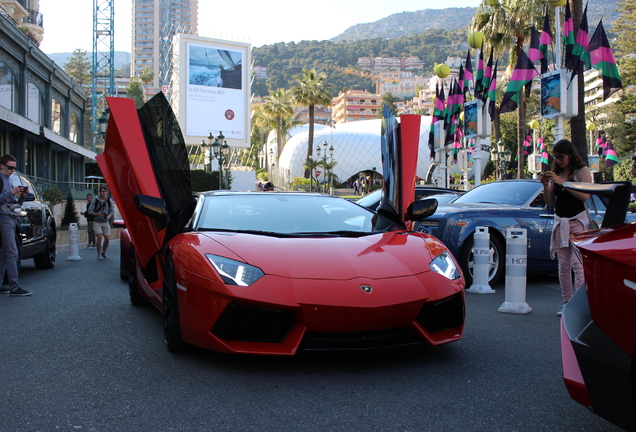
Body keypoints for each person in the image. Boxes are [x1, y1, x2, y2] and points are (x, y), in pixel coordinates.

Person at [540, 139, 591, 316]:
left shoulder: (582, 171)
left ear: (570, 155)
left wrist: (564, 183)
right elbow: (548, 202)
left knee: (578, 265)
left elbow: (585, 196)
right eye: (556, 157)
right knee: (563, 265)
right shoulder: (558, 172)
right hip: (561, 222)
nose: (559, 160)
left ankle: (581, 304)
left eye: (561, 157)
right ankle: (567, 302)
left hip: (577, 222)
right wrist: (545, 186)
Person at [0, 154, 31, 296]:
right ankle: (14, 287)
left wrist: (22, 197)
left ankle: (3, 284)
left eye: (14, 168)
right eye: (9, 167)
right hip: (4, 219)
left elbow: (14, 206)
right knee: (12, 252)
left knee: (5, 253)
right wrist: (11, 192)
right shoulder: (1, 180)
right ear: (1, 165)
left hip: (9, 218)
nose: (12, 170)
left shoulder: (8, 180)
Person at [87, 186, 114, 260]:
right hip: (97, 221)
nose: (104, 193)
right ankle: (99, 254)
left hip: (105, 221)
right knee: (99, 237)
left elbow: (112, 210)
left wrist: (108, 216)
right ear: (99, 192)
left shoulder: (109, 200)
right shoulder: (95, 200)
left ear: (107, 192)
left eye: (105, 191)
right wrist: (98, 214)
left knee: (107, 238)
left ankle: (104, 252)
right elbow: (90, 211)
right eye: (102, 191)